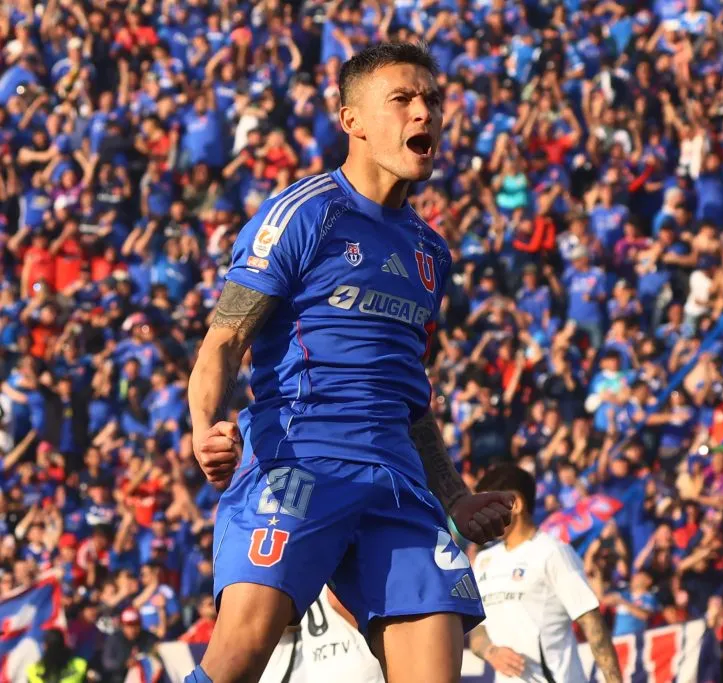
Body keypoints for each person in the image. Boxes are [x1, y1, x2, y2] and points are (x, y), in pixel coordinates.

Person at [185, 42, 514, 683]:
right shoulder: (302, 215)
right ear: (352, 119)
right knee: (235, 663)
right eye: (403, 99)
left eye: (433, 100)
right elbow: (222, 341)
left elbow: (409, 399)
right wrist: (205, 427)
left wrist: (456, 496)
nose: (425, 113)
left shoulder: (429, 253)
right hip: (300, 464)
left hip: (397, 482)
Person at [469, 463, 623, 683]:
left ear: (515, 504)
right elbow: (478, 631)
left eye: (487, 507)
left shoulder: (552, 552)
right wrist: (491, 652)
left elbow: (592, 624)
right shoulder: (485, 561)